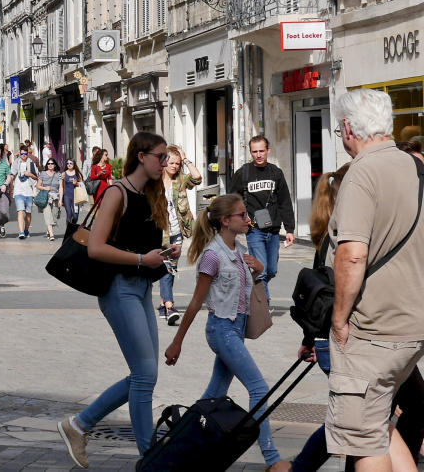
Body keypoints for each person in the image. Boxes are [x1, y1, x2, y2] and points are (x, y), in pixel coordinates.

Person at [291, 162, 424, 472]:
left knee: (359, 421)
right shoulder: (345, 239)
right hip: (350, 340)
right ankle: (302, 467)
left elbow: (317, 296)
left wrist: (310, 341)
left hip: (345, 340)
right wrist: (322, 336)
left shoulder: (335, 235)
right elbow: (328, 296)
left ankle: (303, 467)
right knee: (366, 423)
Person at [57, 132, 178, 466]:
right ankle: (151, 459)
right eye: (160, 156)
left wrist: (164, 252)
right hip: (118, 288)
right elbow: (96, 248)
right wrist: (142, 259)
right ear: (141, 156)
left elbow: (141, 246)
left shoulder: (152, 195)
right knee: (144, 375)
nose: (164, 163)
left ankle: (79, 425)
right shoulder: (116, 192)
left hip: (142, 288)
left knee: (145, 375)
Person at [323, 89, 424, 472]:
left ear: (349, 127)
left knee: (362, 437)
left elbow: (352, 252)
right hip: (413, 322)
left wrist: (340, 319)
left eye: (338, 129)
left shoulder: (364, 171)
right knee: (378, 424)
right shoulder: (415, 165)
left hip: (375, 329)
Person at [163, 195, 288, 472]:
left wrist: (259, 269)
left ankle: (179, 445)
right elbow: (196, 301)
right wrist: (177, 342)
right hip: (222, 331)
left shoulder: (239, 250)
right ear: (225, 221)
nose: (247, 219)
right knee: (259, 388)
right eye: (242, 215)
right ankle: (272, 459)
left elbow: (244, 294)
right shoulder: (212, 255)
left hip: (236, 330)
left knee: (213, 397)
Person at [231, 136, 295, 299]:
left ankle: (250, 290)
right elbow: (231, 200)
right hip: (254, 230)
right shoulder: (243, 173)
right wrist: (242, 217)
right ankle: (264, 304)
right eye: (255, 152)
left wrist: (290, 229)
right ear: (250, 152)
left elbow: (284, 202)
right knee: (262, 269)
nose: (258, 155)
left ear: (268, 150)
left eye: (261, 151)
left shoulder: (276, 173)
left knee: (271, 269)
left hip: (273, 230)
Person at [158, 146, 202, 325]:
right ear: (164, 162)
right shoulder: (154, 181)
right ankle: (170, 306)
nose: (175, 166)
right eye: (171, 162)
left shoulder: (181, 180)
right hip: (160, 233)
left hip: (177, 232)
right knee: (166, 268)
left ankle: (162, 304)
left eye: (177, 163)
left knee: (171, 269)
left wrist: (186, 159)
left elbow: (198, 178)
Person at [9, 142, 40, 240]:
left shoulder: (31, 163)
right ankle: (21, 232)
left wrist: (29, 174)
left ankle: (26, 229)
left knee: (28, 213)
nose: (23, 156)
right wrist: (10, 189)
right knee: (20, 212)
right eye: (22, 154)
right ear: (19, 154)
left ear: (27, 154)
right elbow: (12, 175)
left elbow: (37, 177)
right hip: (18, 191)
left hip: (29, 192)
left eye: (25, 154)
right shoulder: (16, 163)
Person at [39, 158, 64, 241]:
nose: (50, 165)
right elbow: (38, 185)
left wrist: (60, 200)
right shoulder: (43, 174)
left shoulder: (58, 174)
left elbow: (61, 187)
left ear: (55, 165)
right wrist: (44, 188)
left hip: (55, 197)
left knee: (54, 216)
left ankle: (48, 229)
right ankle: (52, 234)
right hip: (46, 196)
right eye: (48, 164)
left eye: (52, 163)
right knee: (47, 214)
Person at [62, 158, 83, 225]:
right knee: (69, 214)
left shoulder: (77, 174)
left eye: (71, 163)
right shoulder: (64, 174)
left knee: (75, 216)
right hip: (67, 196)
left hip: (76, 197)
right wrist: (61, 199)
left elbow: (83, 185)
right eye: (67, 163)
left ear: (74, 164)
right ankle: (69, 230)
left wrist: (77, 184)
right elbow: (61, 186)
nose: (69, 165)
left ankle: (72, 226)